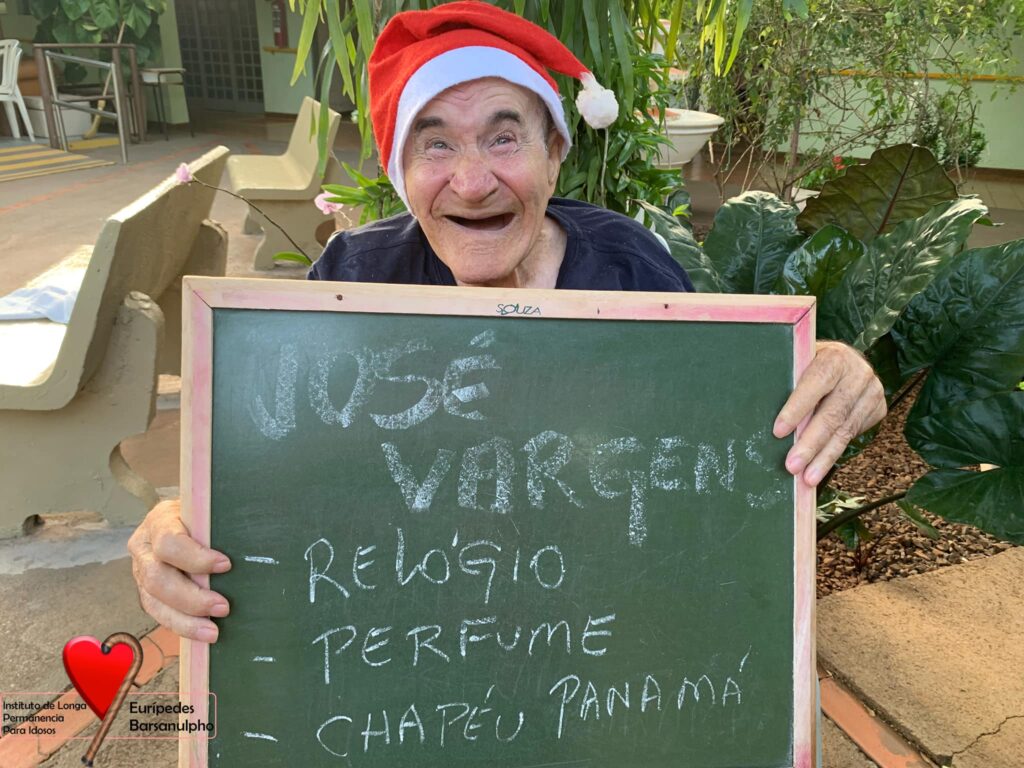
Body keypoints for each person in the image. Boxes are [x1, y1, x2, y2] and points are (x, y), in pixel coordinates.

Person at [130, 1, 884, 645]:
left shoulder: (630, 270)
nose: (471, 181)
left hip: (604, 655)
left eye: (503, 137)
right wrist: (181, 526)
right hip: (395, 656)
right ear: (402, 173)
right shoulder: (354, 281)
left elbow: (711, 449)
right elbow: (277, 470)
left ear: (554, 154)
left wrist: (829, 373)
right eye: (436, 144)